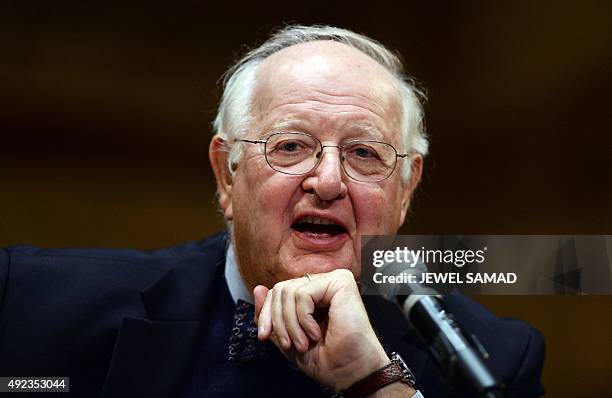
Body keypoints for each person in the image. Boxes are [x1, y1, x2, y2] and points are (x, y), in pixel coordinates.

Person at [0, 25, 544, 397]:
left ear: (405, 189)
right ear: (227, 174)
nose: (328, 181)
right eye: (289, 146)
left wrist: (376, 384)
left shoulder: (494, 359)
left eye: (364, 153)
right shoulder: (32, 306)